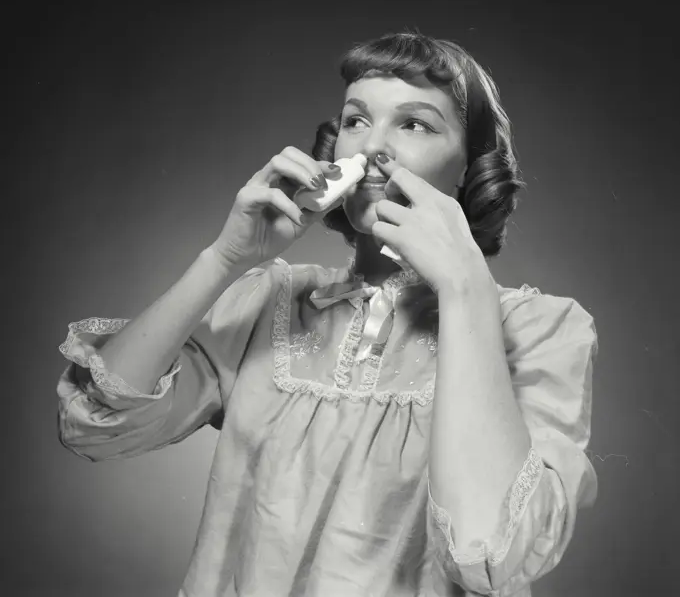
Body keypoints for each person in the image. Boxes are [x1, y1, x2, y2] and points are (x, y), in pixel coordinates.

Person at [56, 32, 598, 597]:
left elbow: (492, 553)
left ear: (470, 168)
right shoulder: (272, 300)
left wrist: (465, 291)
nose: (373, 147)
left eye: (415, 124)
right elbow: (99, 424)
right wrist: (223, 260)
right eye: (357, 120)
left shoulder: (542, 332)